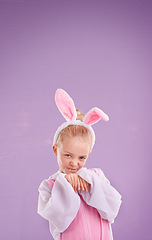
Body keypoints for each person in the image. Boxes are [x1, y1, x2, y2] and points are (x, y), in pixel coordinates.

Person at [37, 89, 122, 240]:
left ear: (88, 154)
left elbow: (111, 209)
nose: (74, 163)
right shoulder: (49, 186)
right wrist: (65, 184)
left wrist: (91, 185)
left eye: (82, 157)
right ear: (56, 150)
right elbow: (58, 220)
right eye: (68, 155)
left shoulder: (96, 177)